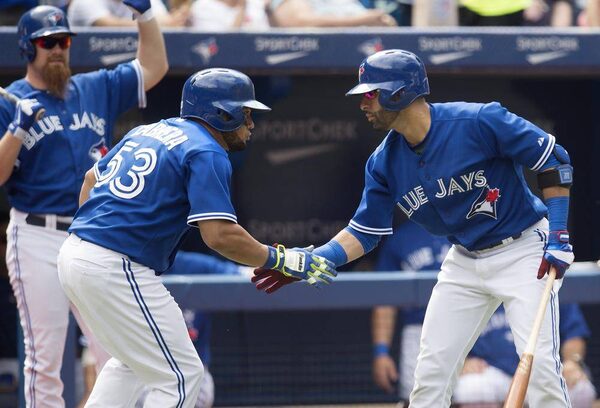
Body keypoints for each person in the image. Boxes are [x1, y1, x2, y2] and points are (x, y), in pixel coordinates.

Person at [253, 49, 575, 407]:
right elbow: (364, 232)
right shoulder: (383, 162)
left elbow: (554, 160)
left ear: (400, 93)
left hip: (523, 249)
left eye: (371, 94)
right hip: (465, 258)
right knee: (430, 376)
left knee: (541, 368)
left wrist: (559, 234)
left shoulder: (478, 120)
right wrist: (315, 258)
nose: (363, 104)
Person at [56, 68, 337, 406]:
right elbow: (219, 236)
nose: (251, 124)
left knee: (131, 363)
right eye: (245, 113)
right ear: (222, 113)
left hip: (75, 252)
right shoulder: (207, 149)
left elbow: (91, 179)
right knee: (183, 375)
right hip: (113, 265)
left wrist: (94, 238)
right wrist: (283, 258)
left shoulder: (146, 130)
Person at [0, 3, 168, 407]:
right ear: (27, 48)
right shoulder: (10, 102)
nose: (58, 49)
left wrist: (145, 16)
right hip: (37, 235)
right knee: (44, 359)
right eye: (47, 42)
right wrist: (16, 131)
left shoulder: (95, 87)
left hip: (93, 234)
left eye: (64, 41)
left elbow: (154, 66)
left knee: (116, 352)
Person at [454, 304, 596, 407]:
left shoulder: (547, 279)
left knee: (581, 390)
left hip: (543, 369)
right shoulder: (477, 280)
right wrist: (462, 361)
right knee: (471, 389)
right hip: (492, 371)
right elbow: (451, 332)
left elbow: (574, 333)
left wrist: (572, 361)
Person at [371, 221, 450, 403]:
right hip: (417, 331)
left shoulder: (466, 226)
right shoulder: (400, 238)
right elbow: (385, 300)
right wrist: (381, 353)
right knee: (418, 398)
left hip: (468, 327)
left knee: (472, 392)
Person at [269, 0, 397, 27]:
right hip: (312, 71)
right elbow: (299, 22)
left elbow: (388, 24)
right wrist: (361, 20)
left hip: (359, 64)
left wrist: (383, 21)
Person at [68, 0, 190, 27]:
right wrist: (151, 23)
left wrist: (170, 22)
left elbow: (169, 22)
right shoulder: (83, 2)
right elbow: (107, 24)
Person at [190, 0, 272, 30]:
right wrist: (242, 8)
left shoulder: (256, 3)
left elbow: (265, 37)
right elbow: (225, 43)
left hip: (257, 59)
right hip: (221, 62)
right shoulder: (202, 6)